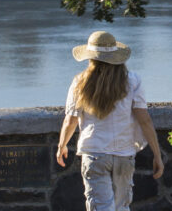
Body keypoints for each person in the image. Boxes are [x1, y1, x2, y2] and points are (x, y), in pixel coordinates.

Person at [56, 30, 166, 211]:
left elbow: (71, 120)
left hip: (95, 152)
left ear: (90, 57)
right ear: (116, 56)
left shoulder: (80, 83)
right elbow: (145, 120)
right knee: (121, 208)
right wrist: (157, 155)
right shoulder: (132, 81)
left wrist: (62, 145)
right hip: (124, 154)